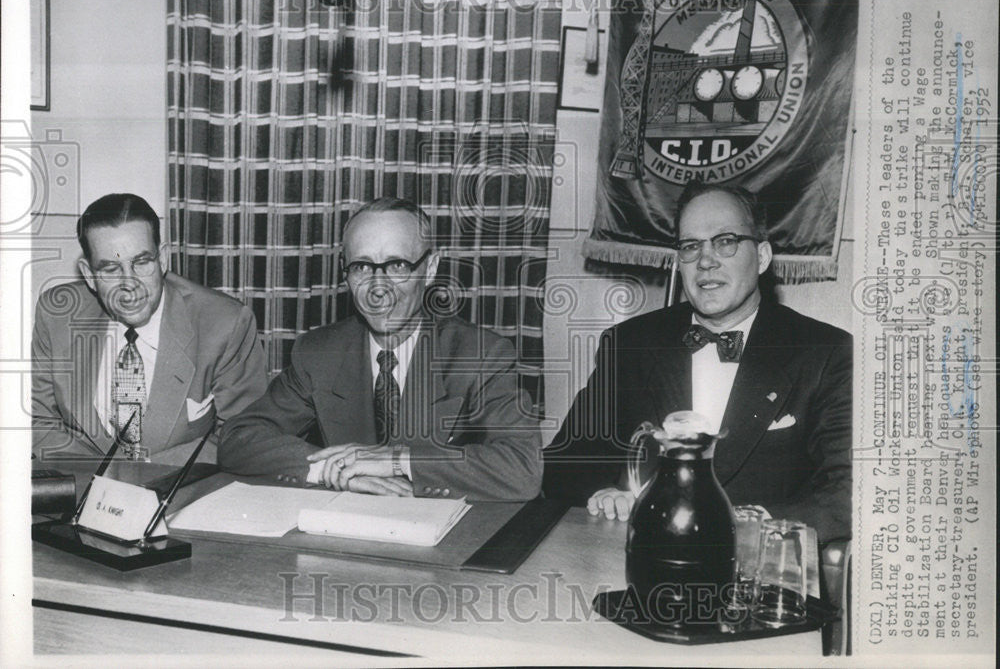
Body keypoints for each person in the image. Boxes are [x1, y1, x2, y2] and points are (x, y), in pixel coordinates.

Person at [542, 184, 852, 543]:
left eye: (726, 241)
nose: (706, 260)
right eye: (691, 246)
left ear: (763, 257)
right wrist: (604, 494)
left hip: (757, 569)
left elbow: (848, 491)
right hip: (642, 562)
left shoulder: (825, 352)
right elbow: (565, 463)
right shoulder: (629, 344)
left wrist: (757, 524)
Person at [218, 197, 541, 501]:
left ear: (429, 268)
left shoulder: (480, 354)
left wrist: (399, 460)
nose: (378, 288)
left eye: (397, 266)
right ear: (345, 271)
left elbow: (522, 468)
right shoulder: (319, 352)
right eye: (361, 266)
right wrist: (331, 470)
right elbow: (239, 439)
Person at [32, 193, 268, 465]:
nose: (129, 284)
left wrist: (141, 478)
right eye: (110, 269)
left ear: (163, 259)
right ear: (89, 275)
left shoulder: (225, 323)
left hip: (182, 491)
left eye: (141, 262)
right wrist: (103, 482)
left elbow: (242, 435)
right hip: (84, 484)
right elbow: (38, 419)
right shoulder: (57, 314)